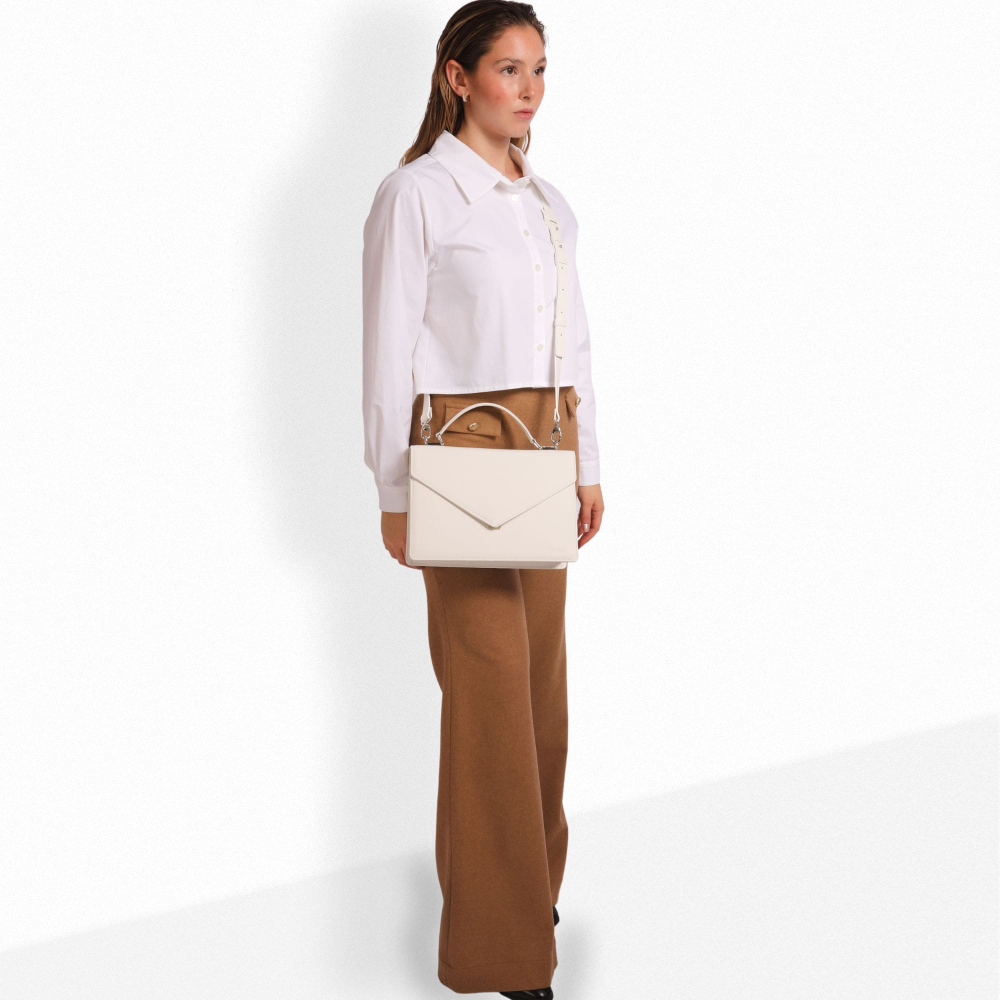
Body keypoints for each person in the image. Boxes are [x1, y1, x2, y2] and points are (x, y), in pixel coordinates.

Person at [361, 2, 605, 996]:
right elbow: (388, 347)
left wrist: (588, 463)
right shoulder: (418, 194)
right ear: (457, 78)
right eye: (509, 67)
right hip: (455, 467)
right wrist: (392, 488)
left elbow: (573, 343)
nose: (529, 87)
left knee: (541, 701)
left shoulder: (547, 204)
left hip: (543, 457)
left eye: (539, 68)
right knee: (490, 702)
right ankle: (501, 951)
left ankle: (529, 885)